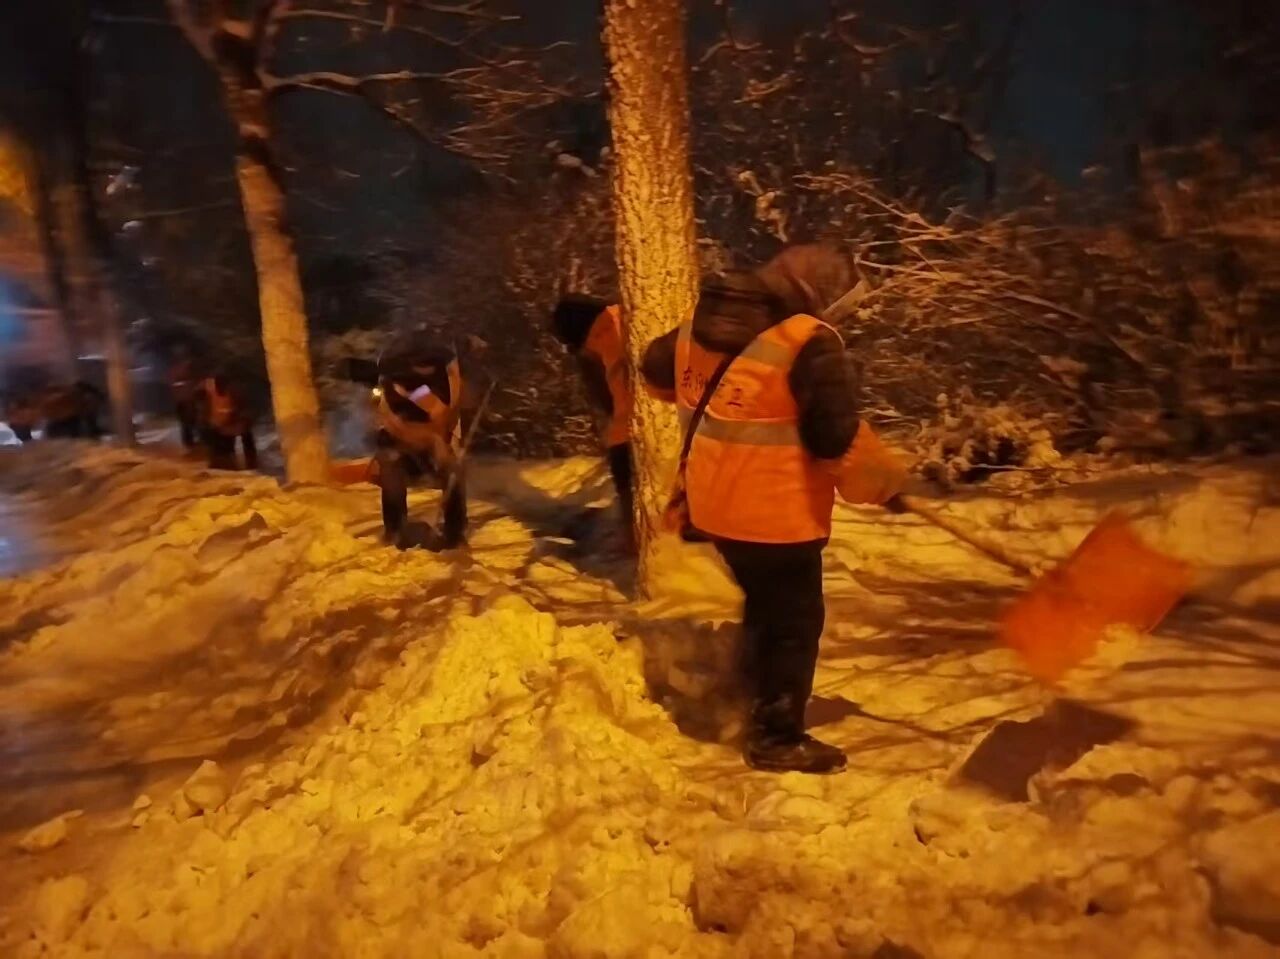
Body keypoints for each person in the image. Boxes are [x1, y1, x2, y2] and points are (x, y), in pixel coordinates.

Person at [642, 271, 907, 775]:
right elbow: (834, 438)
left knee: (765, 605)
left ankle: (749, 692)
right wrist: (885, 483)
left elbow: (654, 374)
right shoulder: (808, 343)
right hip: (778, 518)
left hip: (713, 507)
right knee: (793, 624)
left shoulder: (699, 325)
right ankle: (776, 737)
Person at [551, 293, 634, 540]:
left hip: (629, 433)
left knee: (632, 495)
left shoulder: (592, 346)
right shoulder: (633, 314)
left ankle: (636, 543)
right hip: (683, 426)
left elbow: (605, 398)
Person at [372, 341, 470, 550]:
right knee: (391, 467)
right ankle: (395, 530)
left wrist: (444, 445)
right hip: (401, 444)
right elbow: (388, 425)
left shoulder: (442, 388)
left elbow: (447, 421)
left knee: (452, 470)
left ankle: (455, 531)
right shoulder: (394, 388)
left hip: (433, 443)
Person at [199, 369, 257, 470]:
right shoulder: (209, 391)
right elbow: (205, 410)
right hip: (220, 426)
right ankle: (222, 461)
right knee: (220, 445)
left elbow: (244, 411)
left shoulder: (236, 392)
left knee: (245, 437)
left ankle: (250, 462)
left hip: (234, 423)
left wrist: (236, 421)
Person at [168, 347, 202, 449]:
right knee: (187, 422)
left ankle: (191, 442)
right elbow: (175, 384)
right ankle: (189, 442)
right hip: (185, 400)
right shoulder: (179, 370)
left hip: (187, 400)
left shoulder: (179, 369)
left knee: (190, 422)